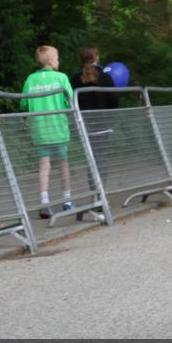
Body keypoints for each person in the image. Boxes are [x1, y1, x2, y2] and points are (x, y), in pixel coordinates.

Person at [22, 45, 74, 218]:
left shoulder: (30, 79)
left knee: (44, 166)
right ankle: (67, 201)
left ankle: (44, 202)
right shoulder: (61, 77)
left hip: (39, 130)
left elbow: (23, 104)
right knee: (63, 164)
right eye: (57, 58)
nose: (59, 61)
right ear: (52, 60)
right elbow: (70, 101)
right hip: (58, 128)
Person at [70, 44, 117, 223]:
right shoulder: (106, 78)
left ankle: (95, 194)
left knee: (90, 160)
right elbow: (114, 100)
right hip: (103, 125)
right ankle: (100, 196)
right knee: (101, 159)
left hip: (84, 126)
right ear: (97, 57)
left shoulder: (74, 79)